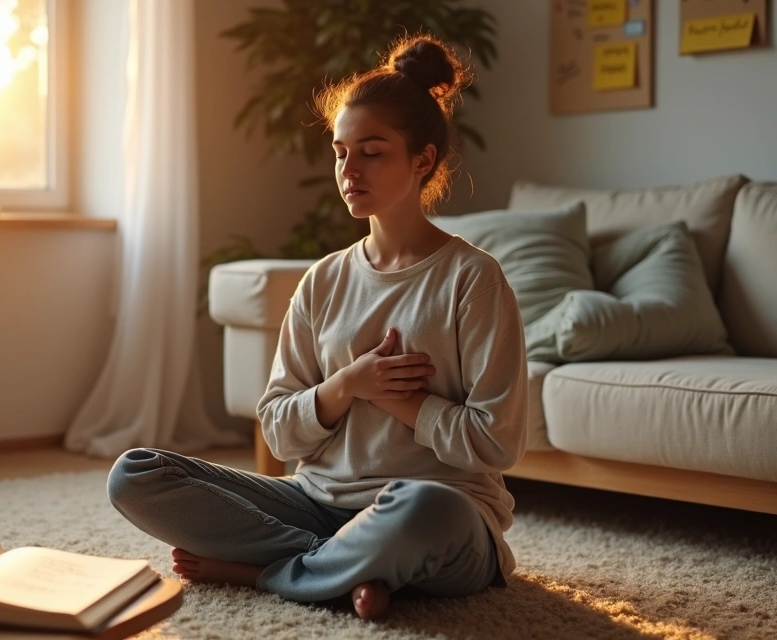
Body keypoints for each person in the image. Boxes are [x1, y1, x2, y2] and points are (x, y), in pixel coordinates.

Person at [106, 34, 528, 621]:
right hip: (318, 502)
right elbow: (279, 434)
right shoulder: (322, 281)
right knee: (133, 476)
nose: (348, 169)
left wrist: (404, 404)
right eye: (340, 152)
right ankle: (343, 568)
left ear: (422, 159)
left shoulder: (473, 279)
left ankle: (268, 571)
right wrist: (349, 385)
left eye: (372, 151)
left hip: (441, 512)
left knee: (423, 509)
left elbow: (496, 443)